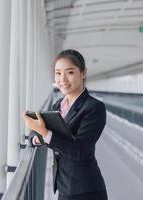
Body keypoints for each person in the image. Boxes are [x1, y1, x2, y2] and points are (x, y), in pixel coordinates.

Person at [22, 49, 108, 200]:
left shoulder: (94, 107)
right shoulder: (58, 106)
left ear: (83, 73)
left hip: (85, 190)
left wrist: (45, 133)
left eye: (69, 72)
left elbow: (79, 151)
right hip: (64, 186)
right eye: (58, 73)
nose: (62, 79)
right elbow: (54, 135)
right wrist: (37, 137)